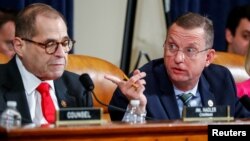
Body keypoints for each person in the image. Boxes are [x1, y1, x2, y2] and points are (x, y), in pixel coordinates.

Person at [105, 12, 250, 121]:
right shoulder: (139, 86)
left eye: (190, 50)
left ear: (208, 57)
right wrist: (136, 108)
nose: (178, 58)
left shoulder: (221, 80)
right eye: (172, 47)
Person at [0, 3, 92, 125]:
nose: (61, 54)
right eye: (50, 44)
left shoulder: (79, 88)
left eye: (65, 43)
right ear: (19, 46)